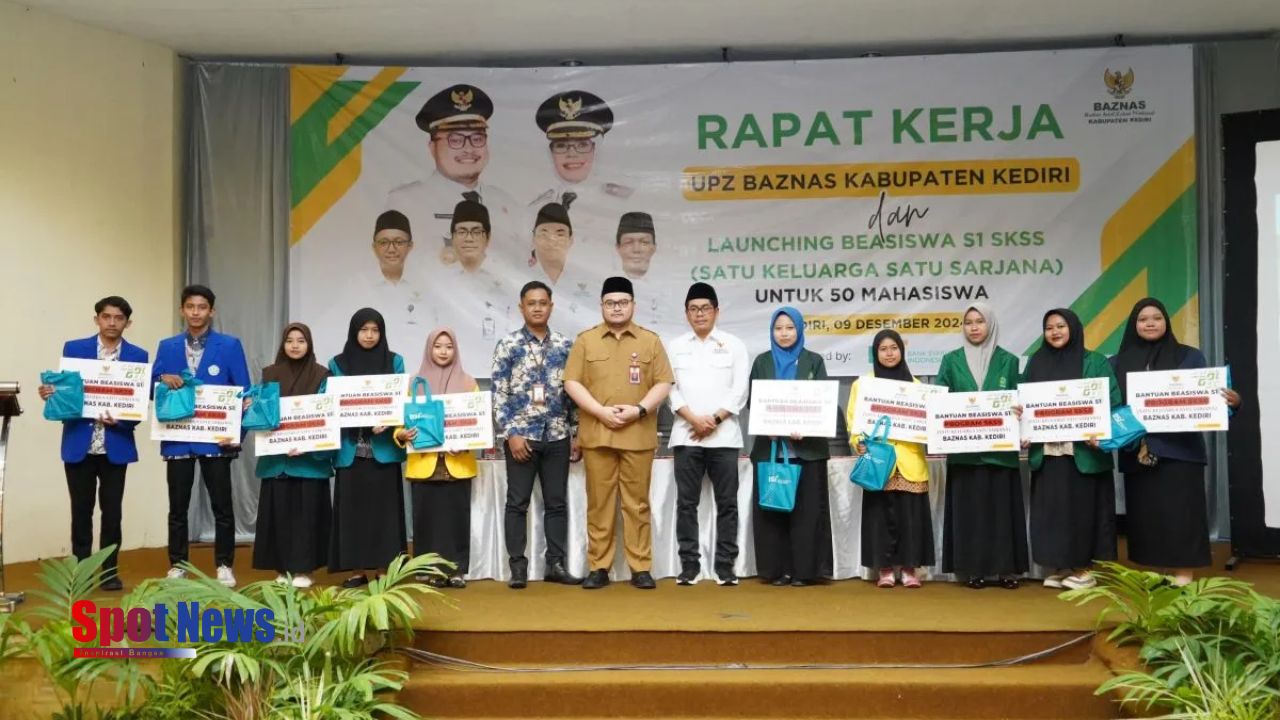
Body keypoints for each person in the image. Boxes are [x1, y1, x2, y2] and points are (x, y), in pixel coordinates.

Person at [1109, 298, 1241, 586]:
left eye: (1157, 318)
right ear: (1134, 325)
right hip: (1138, 452)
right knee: (1148, 516)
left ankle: (1183, 574)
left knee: (1182, 514)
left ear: (1166, 322)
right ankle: (1156, 572)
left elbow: (1208, 400)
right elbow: (1109, 406)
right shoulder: (1116, 363)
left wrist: (1231, 403)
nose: (1150, 323)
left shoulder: (1190, 357)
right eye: (1143, 319)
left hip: (1181, 451)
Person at [564, 276, 674, 590]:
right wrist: (600, 412)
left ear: (633, 305)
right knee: (599, 503)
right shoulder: (586, 340)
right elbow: (571, 382)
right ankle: (599, 566)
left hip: (637, 434)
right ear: (601, 305)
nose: (616, 308)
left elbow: (663, 383)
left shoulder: (650, 341)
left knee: (637, 504)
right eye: (610, 303)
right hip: (598, 434)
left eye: (623, 302)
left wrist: (639, 410)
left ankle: (641, 567)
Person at [39, 296, 148, 591]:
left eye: (119, 318)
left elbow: (139, 405)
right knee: (81, 511)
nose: (112, 322)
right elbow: (66, 393)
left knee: (112, 513)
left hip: (116, 444)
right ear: (96, 319)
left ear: (127, 323)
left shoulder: (138, 356)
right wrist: (52, 394)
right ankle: (80, 573)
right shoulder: (74, 350)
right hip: (79, 443)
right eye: (106, 316)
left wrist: (121, 421)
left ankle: (109, 572)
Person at [152, 285, 251, 587]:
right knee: (177, 507)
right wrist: (161, 378)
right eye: (190, 307)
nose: (196, 312)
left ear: (212, 311)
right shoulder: (167, 346)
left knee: (222, 507)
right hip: (178, 438)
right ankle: (177, 564)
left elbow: (244, 394)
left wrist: (237, 435)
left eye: (202, 307)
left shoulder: (229, 345)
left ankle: (224, 564)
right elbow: (149, 388)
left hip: (216, 440)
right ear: (182, 310)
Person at [491, 281, 583, 589]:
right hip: (522, 437)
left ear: (551, 306)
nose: (538, 308)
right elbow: (499, 394)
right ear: (522, 308)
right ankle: (518, 567)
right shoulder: (508, 345)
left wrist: (577, 433)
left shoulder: (565, 345)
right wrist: (511, 434)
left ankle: (555, 565)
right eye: (531, 303)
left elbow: (573, 394)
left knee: (556, 503)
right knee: (517, 503)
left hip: (557, 435)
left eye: (543, 303)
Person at [1022, 308, 1121, 591]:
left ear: (1074, 328)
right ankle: (1061, 566)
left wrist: (1100, 430)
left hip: (1084, 454)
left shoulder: (1095, 362)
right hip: (1049, 453)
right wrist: (1022, 426)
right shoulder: (1036, 363)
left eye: (1061, 326)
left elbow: (1114, 402)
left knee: (1084, 510)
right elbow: (1023, 401)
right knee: (1053, 512)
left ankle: (1086, 569)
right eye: (1049, 327)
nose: (1055, 332)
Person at [935, 303, 1028, 589]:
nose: (974, 327)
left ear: (991, 324)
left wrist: (1020, 412)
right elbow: (939, 401)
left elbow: (1022, 399)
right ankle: (973, 569)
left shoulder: (1009, 361)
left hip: (1000, 454)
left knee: (1002, 513)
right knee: (970, 514)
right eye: (968, 322)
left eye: (980, 321)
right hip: (965, 455)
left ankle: (1006, 570)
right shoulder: (950, 360)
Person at [666, 283, 750, 586]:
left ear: (716, 311)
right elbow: (669, 389)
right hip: (686, 435)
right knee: (686, 504)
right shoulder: (675, 346)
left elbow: (740, 390)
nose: (699, 314)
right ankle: (689, 565)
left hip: (724, 437)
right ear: (686, 313)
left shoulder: (734, 345)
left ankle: (725, 566)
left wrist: (713, 420)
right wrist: (693, 419)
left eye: (705, 308)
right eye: (693, 309)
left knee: (727, 504)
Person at [386, 83, 522, 270]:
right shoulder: (406, 202)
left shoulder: (505, 203)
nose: (469, 149)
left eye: (477, 138)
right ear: (432, 148)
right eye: (456, 140)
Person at [747, 307, 833, 587]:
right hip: (771, 449)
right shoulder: (762, 361)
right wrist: (767, 426)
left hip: (807, 451)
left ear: (800, 329)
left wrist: (806, 426)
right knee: (774, 512)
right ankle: (777, 570)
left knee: (807, 514)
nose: (783, 333)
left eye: (789, 328)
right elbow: (753, 402)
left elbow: (822, 403)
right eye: (778, 328)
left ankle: (804, 571)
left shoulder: (814, 361)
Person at [327, 308, 408, 588]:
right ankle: (357, 569)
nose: (370, 336)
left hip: (383, 450)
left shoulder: (394, 361)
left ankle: (385, 569)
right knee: (353, 512)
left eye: (375, 330)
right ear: (354, 332)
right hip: (351, 450)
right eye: (364, 330)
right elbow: (331, 403)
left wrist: (389, 419)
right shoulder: (337, 363)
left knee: (385, 513)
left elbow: (401, 401)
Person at [848, 330, 933, 588]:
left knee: (910, 516)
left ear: (902, 351)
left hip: (910, 461)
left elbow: (929, 425)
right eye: (883, 349)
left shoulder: (918, 388)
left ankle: (909, 568)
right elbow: (854, 421)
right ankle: (884, 569)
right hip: (878, 460)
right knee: (880, 516)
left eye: (893, 348)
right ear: (875, 353)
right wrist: (858, 441)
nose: (889, 353)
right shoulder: (863, 385)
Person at [395, 328, 479, 589]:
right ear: (429, 349)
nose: (443, 351)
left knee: (456, 519)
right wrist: (401, 435)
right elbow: (398, 424)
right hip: (424, 464)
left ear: (456, 350)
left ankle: (456, 570)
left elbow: (477, 424)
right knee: (426, 519)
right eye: (438, 346)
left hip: (457, 464)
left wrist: (465, 443)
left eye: (449, 347)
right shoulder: (413, 384)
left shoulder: (469, 383)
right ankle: (427, 570)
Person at [251, 323, 331, 589]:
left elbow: (326, 415)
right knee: (279, 514)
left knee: (306, 516)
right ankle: (282, 567)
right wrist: (252, 405)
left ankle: (304, 569)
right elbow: (262, 412)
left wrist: (307, 442)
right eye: (289, 340)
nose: (295, 345)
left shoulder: (322, 375)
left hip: (309, 460)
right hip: (277, 459)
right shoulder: (270, 373)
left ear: (309, 344)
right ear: (283, 344)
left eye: (301, 340)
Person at [356, 210, 429, 358]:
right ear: (374, 247)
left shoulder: (425, 286)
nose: (391, 249)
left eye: (399, 242)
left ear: (410, 246)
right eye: (384, 242)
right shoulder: (359, 286)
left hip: (415, 365)